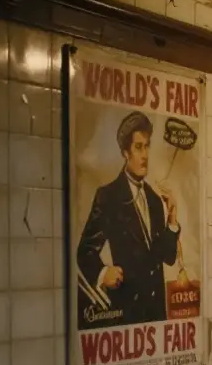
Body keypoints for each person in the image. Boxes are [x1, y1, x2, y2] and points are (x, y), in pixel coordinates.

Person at [75, 110, 181, 328]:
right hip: (127, 317)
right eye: (138, 147)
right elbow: (85, 251)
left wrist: (172, 221)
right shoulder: (108, 196)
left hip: (157, 316)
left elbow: (167, 257)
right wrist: (104, 273)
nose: (145, 155)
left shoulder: (153, 199)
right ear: (125, 152)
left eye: (148, 145)